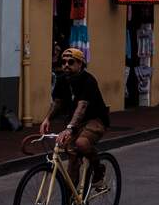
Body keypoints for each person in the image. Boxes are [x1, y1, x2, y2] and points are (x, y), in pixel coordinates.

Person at [40, 48, 110, 194]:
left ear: (80, 64)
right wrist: (47, 119)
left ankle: (98, 171)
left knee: (81, 143)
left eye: (70, 62)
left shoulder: (88, 80)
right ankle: (70, 200)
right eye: (63, 62)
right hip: (75, 122)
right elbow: (57, 102)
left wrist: (69, 128)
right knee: (71, 154)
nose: (66, 65)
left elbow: (82, 105)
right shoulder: (61, 79)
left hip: (94, 119)